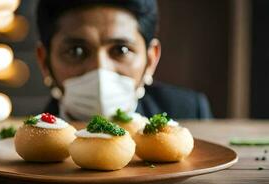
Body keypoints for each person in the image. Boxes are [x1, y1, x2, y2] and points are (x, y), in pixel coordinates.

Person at [36, 0, 212, 121]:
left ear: (150, 60)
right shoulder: (25, 140)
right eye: (76, 51)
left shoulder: (188, 113)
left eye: (121, 50)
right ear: (44, 62)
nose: (100, 69)